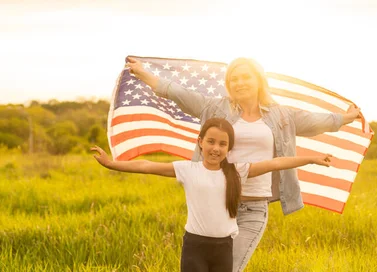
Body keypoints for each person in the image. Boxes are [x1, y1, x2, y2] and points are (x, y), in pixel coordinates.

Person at [126, 56, 361, 271]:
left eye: (245, 77)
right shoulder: (214, 107)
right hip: (217, 206)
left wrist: (346, 118)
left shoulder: (281, 116)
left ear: (259, 80)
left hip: (253, 209)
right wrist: (143, 73)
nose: (239, 83)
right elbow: (176, 92)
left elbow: (315, 121)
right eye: (233, 79)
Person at [91, 118, 332, 272]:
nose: (216, 148)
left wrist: (311, 158)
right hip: (195, 246)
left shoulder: (238, 171)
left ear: (229, 148)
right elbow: (146, 166)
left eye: (223, 144)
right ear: (200, 143)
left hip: (223, 248)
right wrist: (111, 164)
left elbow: (277, 162)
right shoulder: (187, 169)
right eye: (211, 142)